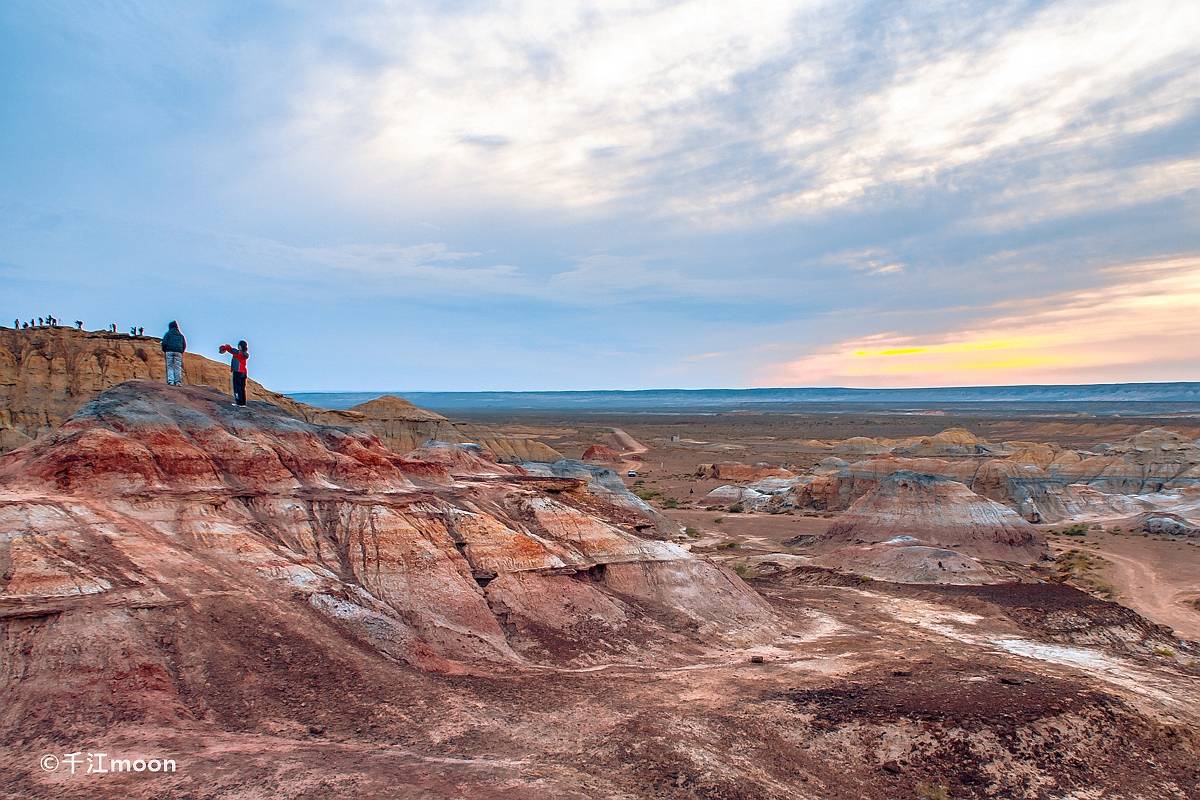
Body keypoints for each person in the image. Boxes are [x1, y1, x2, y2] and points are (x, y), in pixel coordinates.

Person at [219, 340, 249, 406]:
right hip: (244, 373)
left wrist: (224, 347)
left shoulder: (237, 352)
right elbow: (230, 349)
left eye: (239, 345)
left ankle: (238, 403)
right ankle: (243, 404)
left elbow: (229, 348)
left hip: (237, 372)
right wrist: (225, 348)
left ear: (240, 346)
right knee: (242, 388)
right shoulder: (245, 354)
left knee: (237, 388)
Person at [161, 321, 187, 386]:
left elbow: (164, 343)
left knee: (170, 366)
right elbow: (184, 344)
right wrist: (181, 351)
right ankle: (178, 382)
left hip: (169, 351)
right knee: (177, 367)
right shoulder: (181, 335)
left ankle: (171, 381)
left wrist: (165, 350)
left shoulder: (168, 334)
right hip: (178, 352)